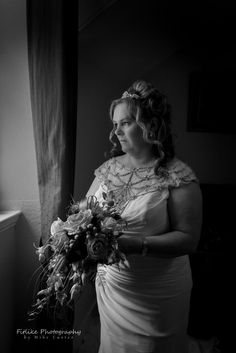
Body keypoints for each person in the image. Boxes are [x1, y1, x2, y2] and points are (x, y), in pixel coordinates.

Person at [83, 80, 202, 353]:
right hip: (115, 288)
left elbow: (188, 239)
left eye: (125, 123)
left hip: (158, 294)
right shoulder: (108, 169)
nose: (116, 132)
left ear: (149, 125)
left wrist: (134, 244)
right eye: (115, 124)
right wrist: (70, 233)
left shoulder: (178, 175)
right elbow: (84, 211)